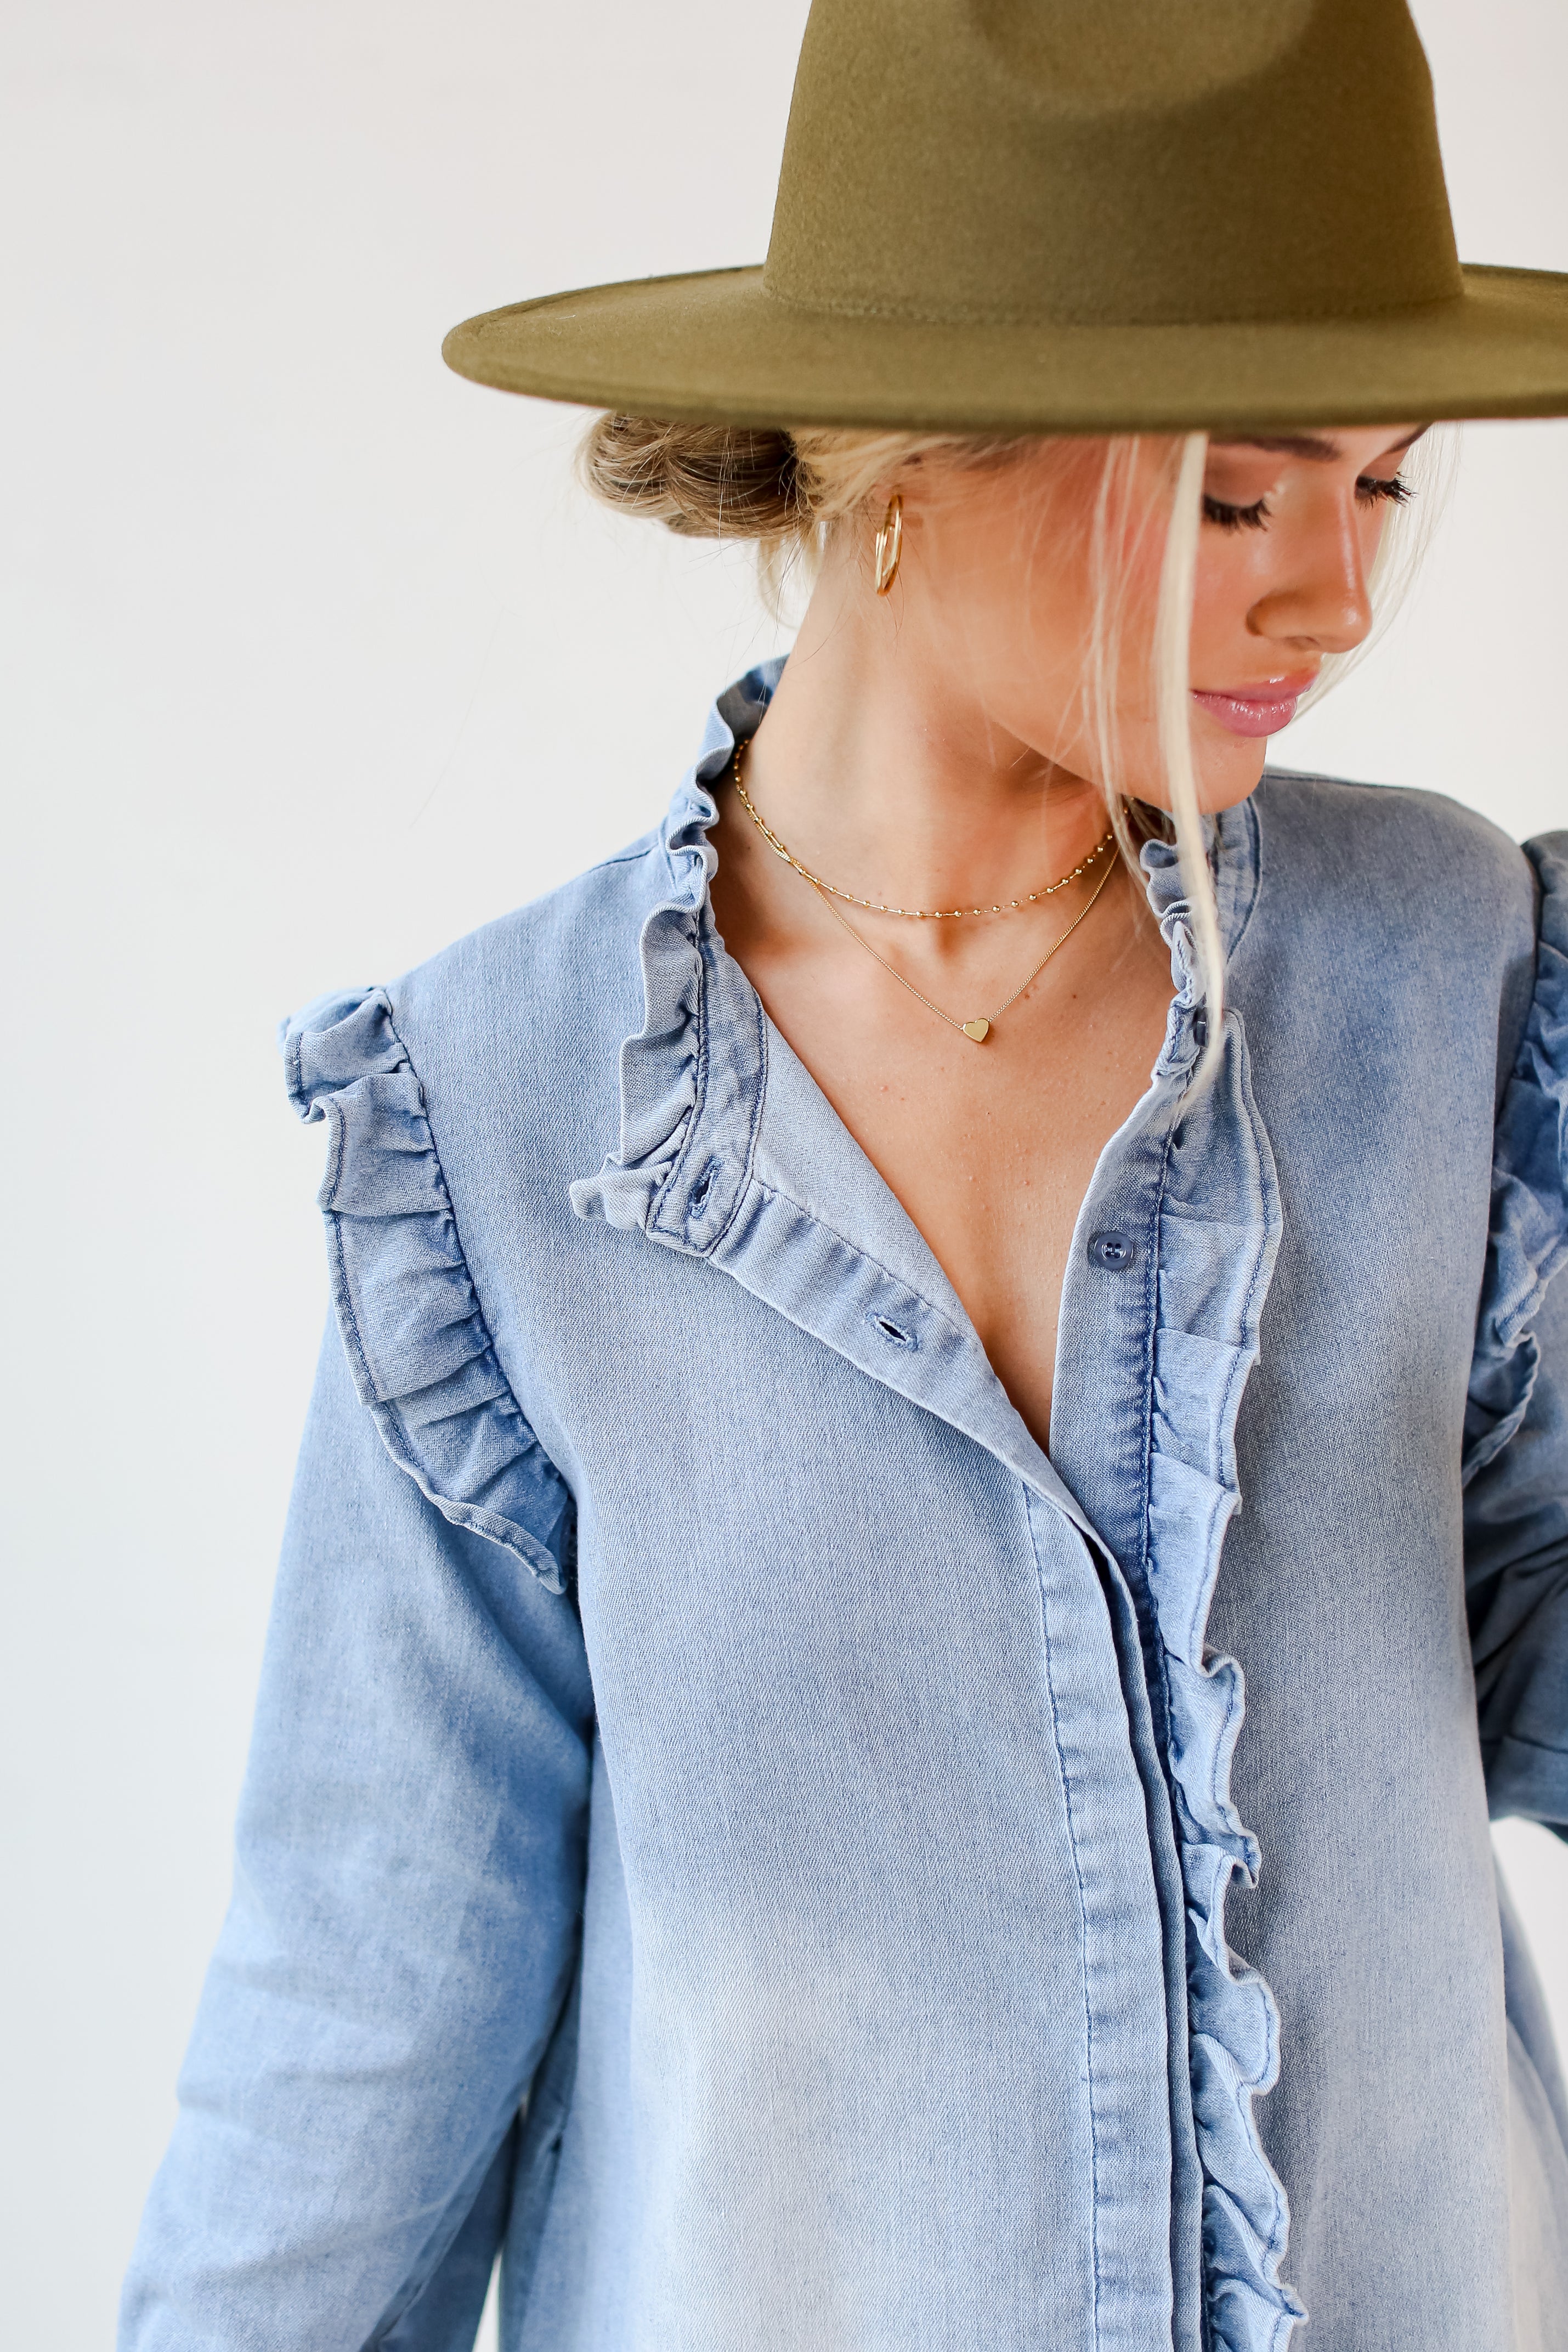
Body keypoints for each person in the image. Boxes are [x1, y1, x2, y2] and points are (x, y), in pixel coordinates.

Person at [120, 3, 1568, 2348]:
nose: (1331, 599)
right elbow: (362, 2012)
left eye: (1384, 487)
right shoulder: (500, 1124)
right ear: (905, 470)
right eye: (1240, 492)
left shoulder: (1454, 976)